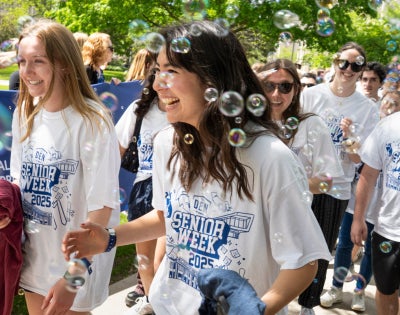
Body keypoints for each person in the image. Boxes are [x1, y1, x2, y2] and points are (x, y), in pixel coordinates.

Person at [62, 20, 332, 315]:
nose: (156, 84)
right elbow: (169, 216)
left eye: (171, 71)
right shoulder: (168, 142)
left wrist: (254, 310)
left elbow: (304, 261)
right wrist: (111, 237)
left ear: (212, 79)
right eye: (157, 71)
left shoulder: (271, 157)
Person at [10, 19, 121, 314]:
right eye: (22, 61)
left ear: (64, 64)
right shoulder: (25, 111)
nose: (27, 72)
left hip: (73, 268)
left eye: (38, 61)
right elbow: (19, 184)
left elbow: (103, 206)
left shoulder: (91, 119)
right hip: (33, 260)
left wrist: (73, 278)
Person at [258, 59, 344, 315]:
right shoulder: (250, 127)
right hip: (255, 223)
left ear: (296, 89)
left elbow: (328, 180)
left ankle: (307, 307)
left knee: (279, 293)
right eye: (269, 86)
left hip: (291, 222)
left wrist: (288, 185)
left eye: (285, 86)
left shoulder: (311, 124)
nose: (276, 94)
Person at [300, 42, 379, 315]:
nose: (349, 69)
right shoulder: (311, 95)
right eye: (344, 62)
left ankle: (307, 303)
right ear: (335, 63)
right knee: (290, 241)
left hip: (337, 185)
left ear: (362, 70)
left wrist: (349, 140)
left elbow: (360, 161)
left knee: (321, 248)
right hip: (303, 180)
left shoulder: (367, 108)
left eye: (356, 65)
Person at [116, 67, 169, 314]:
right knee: (145, 262)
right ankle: (153, 303)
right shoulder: (140, 109)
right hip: (144, 190)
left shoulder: (189, 110)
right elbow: (117, 148)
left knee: (163, 262)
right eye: (161, 73)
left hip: (173, 192)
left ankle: (164, 305)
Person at [351, 108, 400, 315]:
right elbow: (368, 174)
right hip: (389, 229)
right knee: (386, 289)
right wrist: (358, 218)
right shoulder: (388, 126)